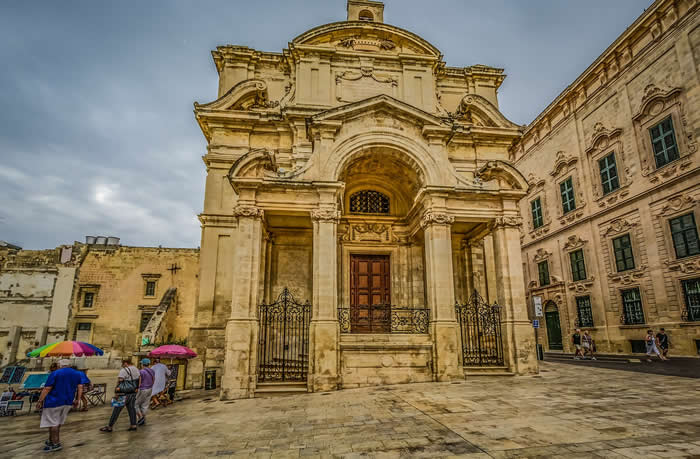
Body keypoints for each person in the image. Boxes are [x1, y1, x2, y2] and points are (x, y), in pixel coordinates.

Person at [36, 359, 83, 452]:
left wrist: (40, 400)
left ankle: (56, 443)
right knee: (57, 423)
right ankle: (51, 440)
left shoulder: (55, 373)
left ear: (59, 365)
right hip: (68, 402)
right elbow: (80, 387)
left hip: (54, 401)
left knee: (53, 423)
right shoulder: (77, 374)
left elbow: (47, 388)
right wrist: (77, 399)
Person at [100, 359, 140, 432]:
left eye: (122, 364)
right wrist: (137, 388)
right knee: (131, 409)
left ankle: (110, 426)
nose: (122, 366)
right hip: (133, 392)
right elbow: (139, 379)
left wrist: (116, 392)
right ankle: (133, 425)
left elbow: (120, 381)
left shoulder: (124, 370)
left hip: (123, 393)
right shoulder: (136, 369)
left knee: (117, 409)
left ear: (125, 363)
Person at [135, 358, 155, 425]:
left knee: (135, 404)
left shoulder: (141, 371)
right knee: (145, 405)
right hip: (150, 388)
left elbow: (140, 382)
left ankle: (141, 418)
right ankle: (143, 418)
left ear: (142, 364)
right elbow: (153, 380)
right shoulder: (152, 371)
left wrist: (137, 388)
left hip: (143, 389)